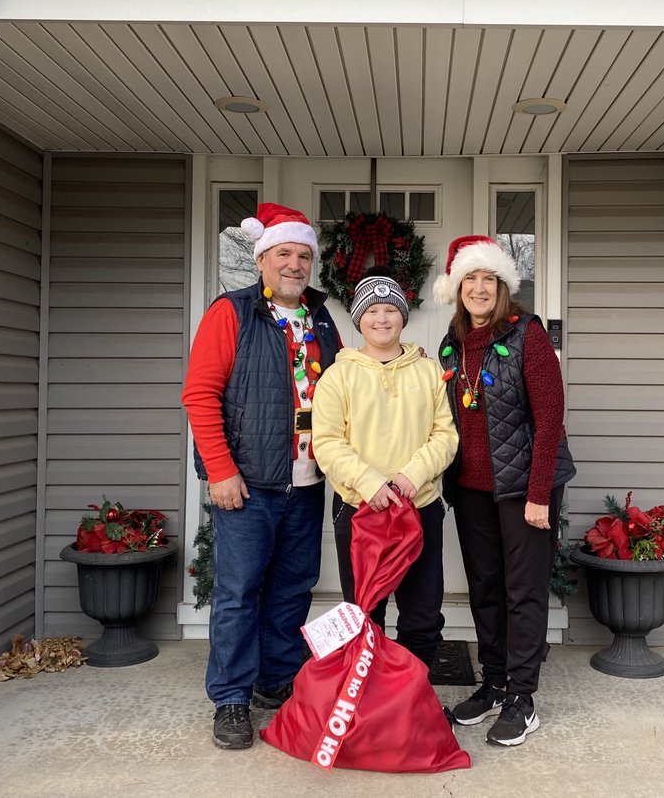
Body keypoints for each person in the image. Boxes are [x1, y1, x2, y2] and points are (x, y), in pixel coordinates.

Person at [182, 202, 342, 751]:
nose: (295, 265)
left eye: (303, 255)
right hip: (246, 484)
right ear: (262, 260)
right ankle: (230, 697)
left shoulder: (322, 319)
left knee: (293, 588)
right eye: (284, 255)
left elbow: (345, 394)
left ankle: (276, 680)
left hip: (307, 481)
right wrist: (220, 471)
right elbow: (200, 395)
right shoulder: (232, 312)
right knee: (238, 591)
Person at [433, 234, 576, 748]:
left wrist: (539, 493)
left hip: (523, 488)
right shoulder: (451, 343)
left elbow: (550, 415)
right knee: (485, 587)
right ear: (455, 287)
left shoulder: (526, 335)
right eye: (469, 278)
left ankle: (522, 697)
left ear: (502, 286)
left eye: (487, 278)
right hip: (471, 488)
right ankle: (493, 682)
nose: (478, 287)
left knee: (522, 590)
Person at [311, 267, 458, 684]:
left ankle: (415, 697)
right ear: (358, 318)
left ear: (402, 316)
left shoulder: (428, 372)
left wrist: (412, 476)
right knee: (365, 610)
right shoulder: (339, 375)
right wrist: (371, 483)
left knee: (423, 610)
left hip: (420, 507)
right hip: (360, 511)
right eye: (371, 310)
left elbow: (445, 435)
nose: (381, 318)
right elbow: (327, 442)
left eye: (390, 309)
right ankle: (369, 699)